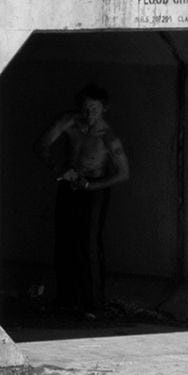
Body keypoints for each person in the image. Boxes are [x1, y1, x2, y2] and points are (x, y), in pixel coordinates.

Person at [40, 85, 131, 320]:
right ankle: (66, 298)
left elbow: (123, 173)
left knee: (89, 243)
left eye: (95, 109)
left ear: (104, 109)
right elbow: (42, 144)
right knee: (64, 241)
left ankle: (94, 303)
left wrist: (91, 186)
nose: (89, 113)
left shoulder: (108, 137)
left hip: (94, 189)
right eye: (86, 108)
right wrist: (58, 169)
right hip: (69, 183)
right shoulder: (69, 122)